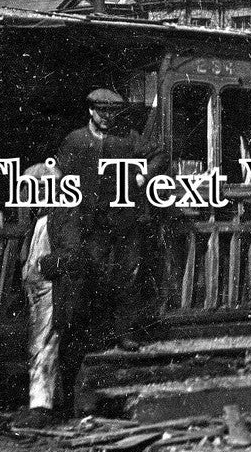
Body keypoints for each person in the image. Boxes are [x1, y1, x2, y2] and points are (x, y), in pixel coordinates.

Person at [45, 89, 163, 410]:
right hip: (89, 223)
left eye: (113, 113)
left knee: (127, 273)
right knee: (96, 276)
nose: (109, 118)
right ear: (92, 111)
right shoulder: (76, 141)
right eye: (103, 112)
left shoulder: (127, 139)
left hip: (122, 219)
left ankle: (123, 333)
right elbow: (59, 174)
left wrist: (142, 176)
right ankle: (94, 336)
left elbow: (159, 154)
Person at [15, 160, 61, 429]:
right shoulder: (40, 220)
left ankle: (42, 406)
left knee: (45, 343)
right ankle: (39, 402)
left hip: (47, 288)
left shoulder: (55, 219)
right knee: (37, 343)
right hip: (35, 289)